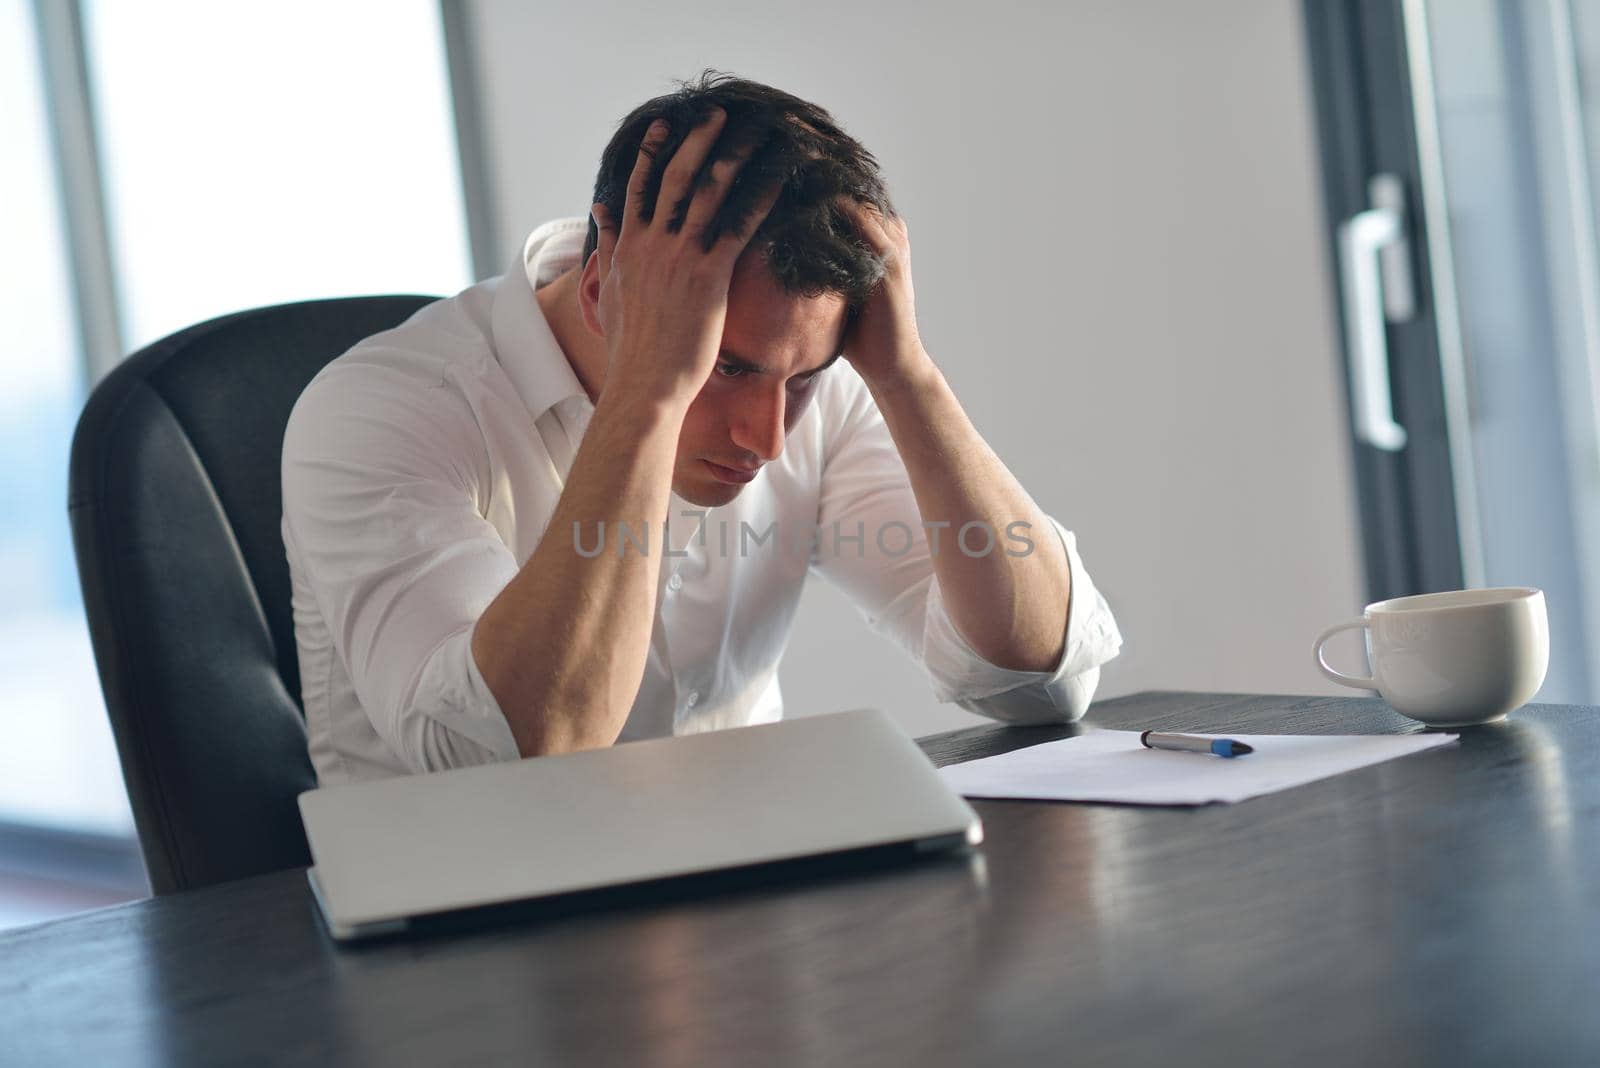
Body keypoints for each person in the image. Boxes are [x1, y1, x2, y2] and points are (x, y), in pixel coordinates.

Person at [281, 72, 1122, 785]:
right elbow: (508, 763)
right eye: (729, 367)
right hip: (459, 954)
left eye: (802, 378)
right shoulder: (376, 411)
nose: (767, 438)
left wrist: (910, 379)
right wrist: (648, 393)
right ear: (602, 286)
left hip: (745, 918)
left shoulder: (805, 380)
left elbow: (1039, 682)